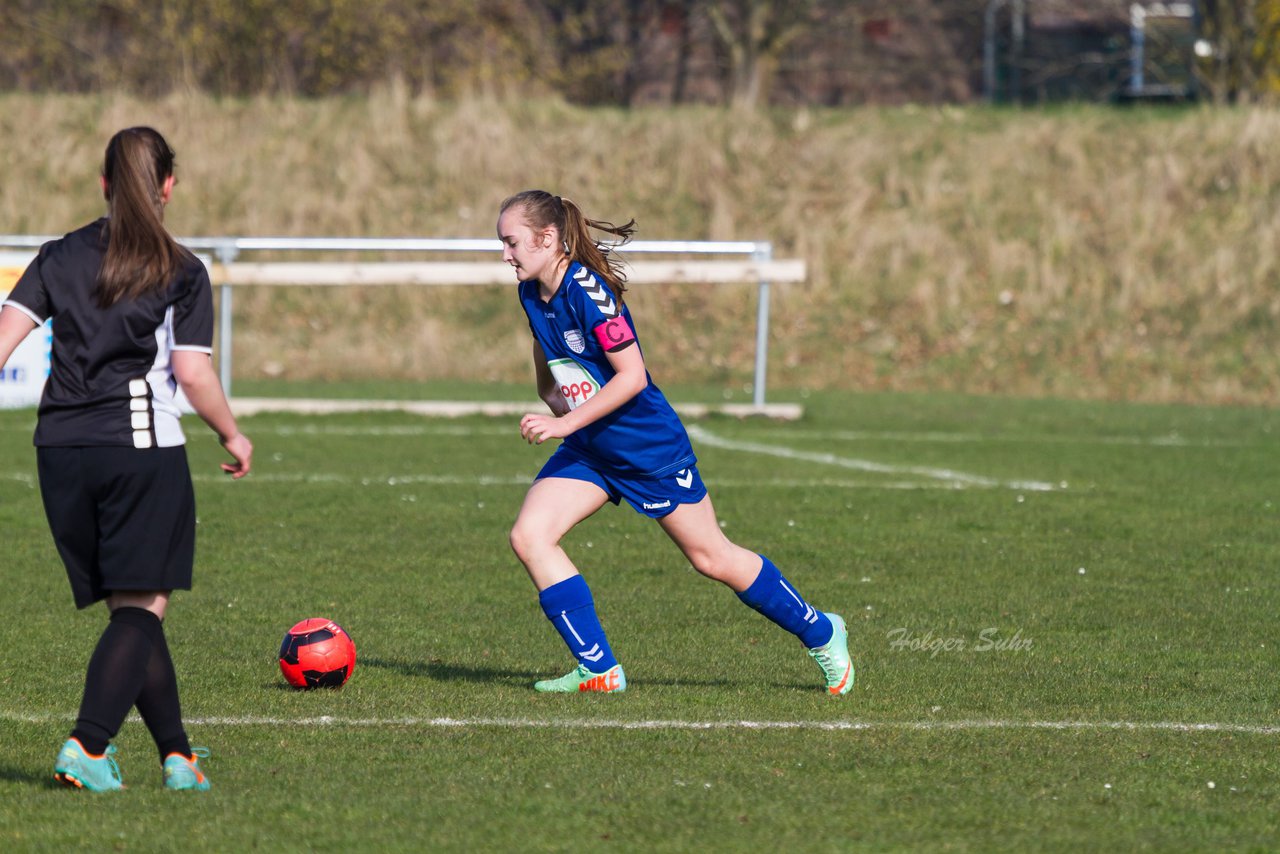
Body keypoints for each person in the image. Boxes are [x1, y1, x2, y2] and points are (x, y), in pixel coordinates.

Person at [498, 189, 852, 695]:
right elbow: (546, 345)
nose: (505, 254)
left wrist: (562, 425)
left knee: (711, 558)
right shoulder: (532, 291)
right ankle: (599, 668)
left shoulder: (589, 291)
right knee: (530, 536)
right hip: (593, 447)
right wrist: (551, 395)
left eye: (511, 242)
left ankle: (822, 631)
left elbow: (632, 377)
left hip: (646, 447)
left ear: (547, 238)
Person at [0, 127, 253, 791]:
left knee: (131, 612)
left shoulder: (58, 256)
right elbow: (192, 375)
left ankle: (178, 757)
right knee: (142, 608)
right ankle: (88, 744)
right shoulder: (181, 269)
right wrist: (232, 433)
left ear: (105, 183)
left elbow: (1, 343)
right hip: (140, 452)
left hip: (59, 454)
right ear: (168, 186)